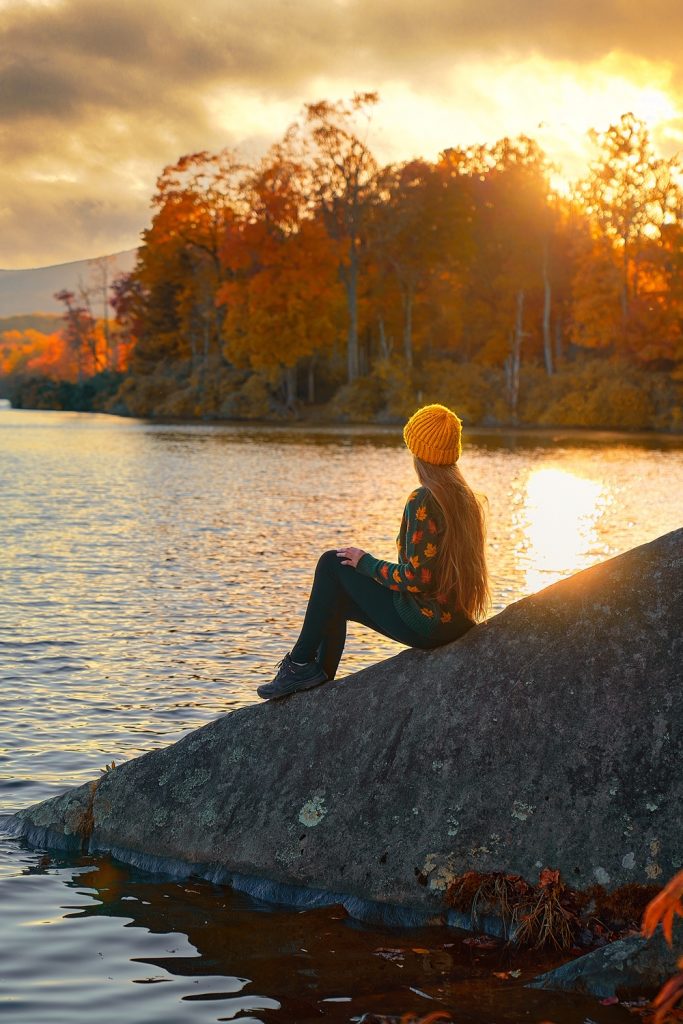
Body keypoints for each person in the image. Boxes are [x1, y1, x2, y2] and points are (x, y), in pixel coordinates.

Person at [257, 403, 490, 700]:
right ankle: (316, 683)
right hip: (454, 621)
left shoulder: (425, 499)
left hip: (426, 622)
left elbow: (418, 579)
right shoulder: (467, 499)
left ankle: (300, 663)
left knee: (332, 563)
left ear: (420, 451)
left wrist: (366, 563)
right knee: (335, 600)